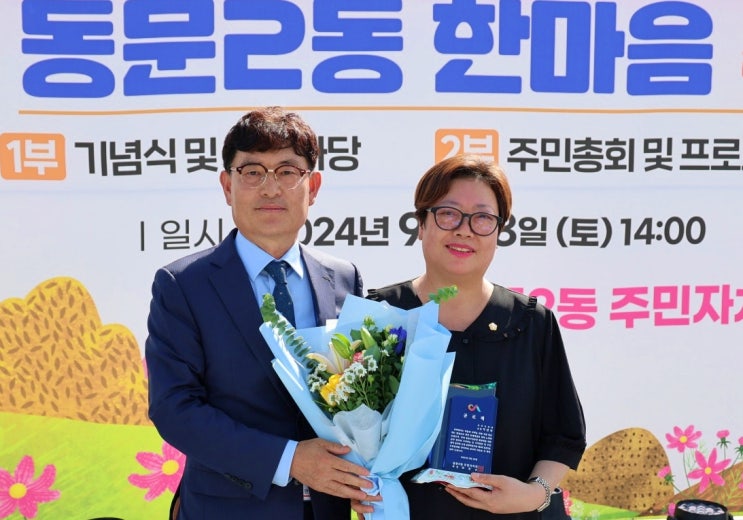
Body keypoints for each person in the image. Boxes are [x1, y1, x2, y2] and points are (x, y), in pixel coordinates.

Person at [145, 106, 373, 519]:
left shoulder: (344, 278)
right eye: (252, 172)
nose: (270, 188)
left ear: (313, 186)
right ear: (227, 186)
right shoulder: (183, 285)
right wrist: (289, 460)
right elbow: (174, 408)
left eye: (287, 172)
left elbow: (361, 400)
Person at [360, 154, 586, 519]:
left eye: (482, 218)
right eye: (448, 214)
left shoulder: (532, 324)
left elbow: (563, 437)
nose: (464, 230)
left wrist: (533, 494)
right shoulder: (380, 317)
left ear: (498, 231)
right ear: (421, 224)